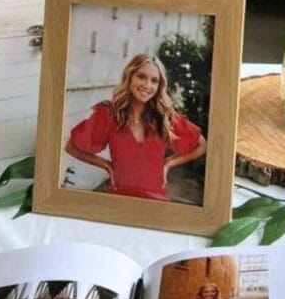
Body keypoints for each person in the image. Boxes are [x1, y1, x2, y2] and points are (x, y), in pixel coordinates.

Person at [65, 54, 206, 201]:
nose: (147, 85)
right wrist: (107, 165)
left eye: (154, 81)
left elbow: (201, 144)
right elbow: (71, 147)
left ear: (159, 87)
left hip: (156, 200)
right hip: (119, 198)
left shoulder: (163, 116)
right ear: (130, 77)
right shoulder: (110, 114)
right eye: (141, 77)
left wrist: (168, 163)